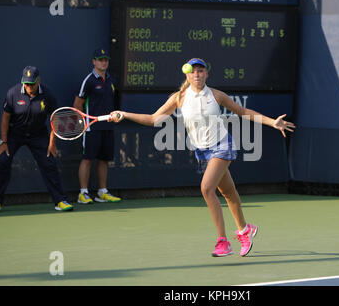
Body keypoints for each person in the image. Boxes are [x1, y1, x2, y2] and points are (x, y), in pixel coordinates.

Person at [108, 58, 296, 257]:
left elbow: (242, 111)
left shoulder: (216, 95)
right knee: (229, 192)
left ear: (207, 74)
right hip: (203, 151)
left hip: (223, 145)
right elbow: (154, 119)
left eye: (201, 71)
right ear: (187, 75)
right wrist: (124, 114)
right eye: (193, 71)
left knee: (207, 188)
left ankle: (223, 242)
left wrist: (271, 122)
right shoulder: (178, 98)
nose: (197, 74)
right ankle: (244, 229)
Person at [0, 66, 73, 212]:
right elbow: (5, 119)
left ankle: (60, 200)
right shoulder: (13, 93)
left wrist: (52, 143)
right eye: (26, 83)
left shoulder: (48, 94)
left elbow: (55, 119)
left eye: (32, 84)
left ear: (38, 81)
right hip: (15, 134)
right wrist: (3, 141)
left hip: (38, 135)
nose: (28, 87)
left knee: (49, 163)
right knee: (3, 160)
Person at [73, 48, 121, 204]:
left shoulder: (111, 81)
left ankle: (102, 192)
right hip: (91, 127)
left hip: (107, 127)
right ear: (94, 61)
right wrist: (83, 125)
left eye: (106, 59)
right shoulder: (89, 81)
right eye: (100, 59)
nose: (103, 62)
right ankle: (83, 193)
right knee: (87, 159)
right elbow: (77, 105)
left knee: (104, 159)